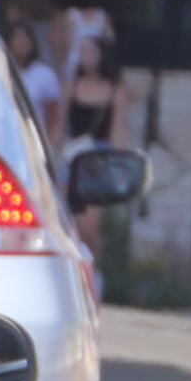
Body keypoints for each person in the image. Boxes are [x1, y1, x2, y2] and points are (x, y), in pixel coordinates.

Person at [61, 35, 128, 248]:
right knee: (70, 223)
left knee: (89, 228)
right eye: (82, 51)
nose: (86, 56)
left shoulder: (114, 89)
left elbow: (116, 130)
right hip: (73, 154)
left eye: (91, 51)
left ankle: (94, 274)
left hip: (98, 156)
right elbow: (60, 126)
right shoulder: (71, 87)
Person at [5, 19, 61, 151]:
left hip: (34, 146)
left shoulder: (45, 75)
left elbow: (53, 117)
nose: (22, 43)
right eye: (17, 38)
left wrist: (49, 146)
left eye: (26, 38)